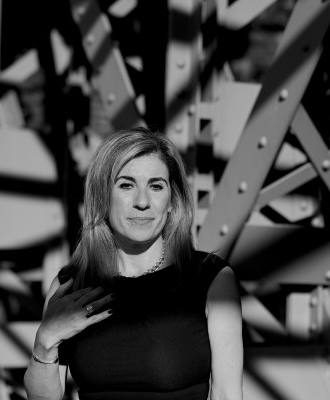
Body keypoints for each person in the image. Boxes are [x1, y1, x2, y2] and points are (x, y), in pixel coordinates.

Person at [24, 127, 243, 400]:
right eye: (126, 185)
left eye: (156, 186)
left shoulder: (211, 279)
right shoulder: (71, 285)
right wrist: (45, 341)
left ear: (172, 201)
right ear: (103, 197)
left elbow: (227, 394)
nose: (142, 202)